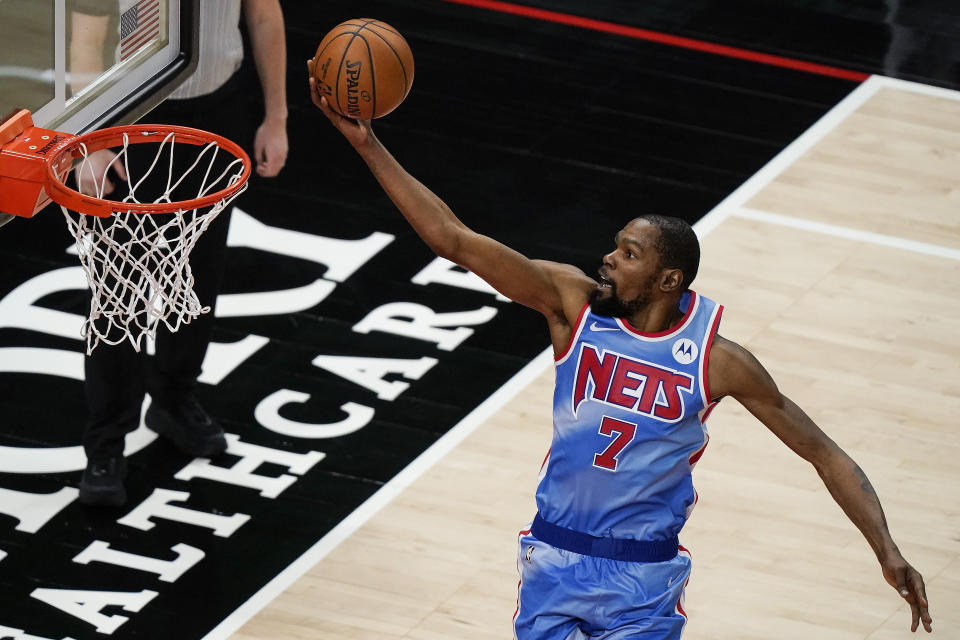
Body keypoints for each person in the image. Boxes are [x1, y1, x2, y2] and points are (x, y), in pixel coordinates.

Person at [308, 79, 933, 637]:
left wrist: (886, 549)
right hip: (553, 558)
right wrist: (367, 144)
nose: (609, 258)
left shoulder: (715, 361)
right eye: (615, 246)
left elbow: (822, 451)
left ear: (668, 280)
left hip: (644, 579)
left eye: (629, 254)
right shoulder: (569, 306)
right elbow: (453, 239)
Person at [77, 0, 288, 507]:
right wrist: (90, 139)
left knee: (197, 274)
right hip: (132, 119)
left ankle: (174, 398)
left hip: (220, 110)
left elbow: (262, 15)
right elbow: (85, 36)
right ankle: (106, 445)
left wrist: (276, 115)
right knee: (119, 292)